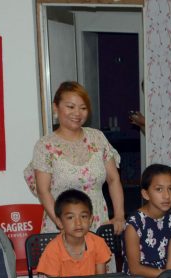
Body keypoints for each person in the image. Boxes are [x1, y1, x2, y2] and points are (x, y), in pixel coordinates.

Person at [24, 81, 125, 234]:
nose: (77, 113)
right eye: (70, 107)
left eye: (83, 108)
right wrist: (61, 223)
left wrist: (119, 216)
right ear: (55, 107)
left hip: (96, 222)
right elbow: (43, 191)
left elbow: (113, 179)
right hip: (61, 227)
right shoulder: (45, 145)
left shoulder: (97, 138)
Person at [123, 164, 171, 278]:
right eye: (159, 189)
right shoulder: (134, 224)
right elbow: (135, 269)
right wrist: (168, 274)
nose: (167, 196)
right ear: (146, 194)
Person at [36, 190, 112, 278]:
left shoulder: (98, 243)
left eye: (83, 216)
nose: (78, 223)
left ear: (90, 220)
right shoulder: (52, 250)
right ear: (59, 222)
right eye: (70, 217)